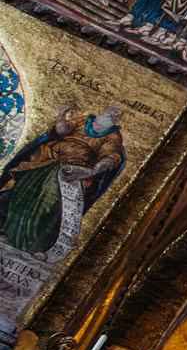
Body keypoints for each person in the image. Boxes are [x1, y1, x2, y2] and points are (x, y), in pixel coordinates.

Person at [0, 106, 124, 254]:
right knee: (22, 186)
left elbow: (111, 157)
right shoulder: (85, 120)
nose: (109, 117)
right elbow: (62, 131)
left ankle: (27, 238)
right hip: (47, 155)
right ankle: (6, 227)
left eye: (114, 117)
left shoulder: (112, 136)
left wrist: (91, 171)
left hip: (74, 166)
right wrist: (61, 116)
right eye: (108, 114)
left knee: (49, 197)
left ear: (115, 121)